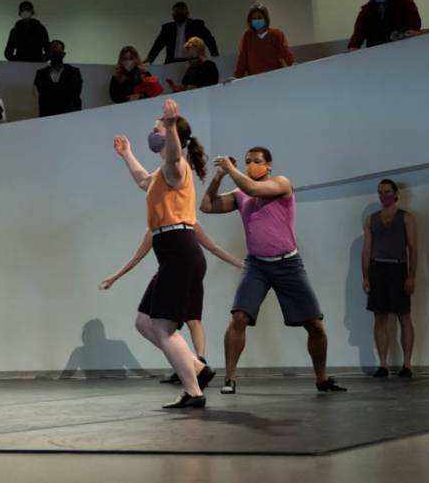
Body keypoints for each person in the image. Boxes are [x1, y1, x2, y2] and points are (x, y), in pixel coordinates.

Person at [200, 148, 346, 395]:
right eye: (247, 162)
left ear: (268, 166)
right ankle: (230, 378)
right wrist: (219, 176)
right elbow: (206, 206)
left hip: (288, 264)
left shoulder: (281, 183)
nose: (251, 165)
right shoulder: (239, 194)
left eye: (256, 161)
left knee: (315, 325)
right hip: (256, 265)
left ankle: (322, 379)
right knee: (239, 318)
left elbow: (254, 189)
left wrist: (232, 169)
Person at [111, 99, 217, 408]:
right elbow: (143, 180)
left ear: (173, 135)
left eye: (158, 127)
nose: (153, 131)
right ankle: (198, 368)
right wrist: (127, 154)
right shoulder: (160, 175)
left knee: (163, 327)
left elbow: (172, 155)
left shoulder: (176, 166)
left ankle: (194, 392)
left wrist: (170, 127)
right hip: (170, 252)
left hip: (180, 247)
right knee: (145, 322)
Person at [99, 221, 243, 384]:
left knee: (191, 320)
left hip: (185, 274)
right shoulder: (154, 228)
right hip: (169, 274)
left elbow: (213, 247)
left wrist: (239, 263)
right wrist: (114, 277)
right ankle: (193, 364)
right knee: (146, 323)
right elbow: (137, 257)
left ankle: (199, 363)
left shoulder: (189, 223)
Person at [362, 179, 419, 378]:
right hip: (378, 269)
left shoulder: (406, 218)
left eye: (386, 192)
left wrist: (411, 276)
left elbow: (413, 248)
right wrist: (366, 277)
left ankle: (407, 364)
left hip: (398, 268)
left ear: (395, 194)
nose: (383, 195)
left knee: (404, 316)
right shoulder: (372, 219)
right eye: (380, 192)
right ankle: (383, 364)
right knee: (380, 317)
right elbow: (367, 250)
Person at [348, 0, 423, 50]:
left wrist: (411, 32)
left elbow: (413, 19)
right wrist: (354, 45)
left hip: (401, 47)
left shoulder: (403, 0)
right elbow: (359, 29)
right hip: (376, 49)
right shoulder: (368, 9)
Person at [145, 1, 219, 65]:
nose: (179, 14)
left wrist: (215, 55)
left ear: (187, 13)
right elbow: (158, 45)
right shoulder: (167, 28)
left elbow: (209, 39)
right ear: (173, 15)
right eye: (177, 12)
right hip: (172, 62)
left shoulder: (197, 25)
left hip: (192, 61)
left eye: (181, 12)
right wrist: (149, 60)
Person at [233, 4, 295, 78]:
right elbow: (242, 60)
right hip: (255, 79)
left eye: (260, 18)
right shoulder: (247, 36)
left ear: (266, 19)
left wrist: (294, 65)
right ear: (250, 20)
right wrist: (236, 77)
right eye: (254, 18)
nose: (257, 20)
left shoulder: (276, 34)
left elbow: (286, 53)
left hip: (275, 77)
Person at [35, 41, 84, 118]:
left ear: (63, 54)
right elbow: (44, 92)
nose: (55, 54)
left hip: (71, 115)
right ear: (49, 54)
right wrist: (62, 89)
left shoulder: (74, 71)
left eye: (58, 52)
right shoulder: (41, 73)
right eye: (53, 52)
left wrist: (53, 90)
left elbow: (74, 92)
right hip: (47, 116)